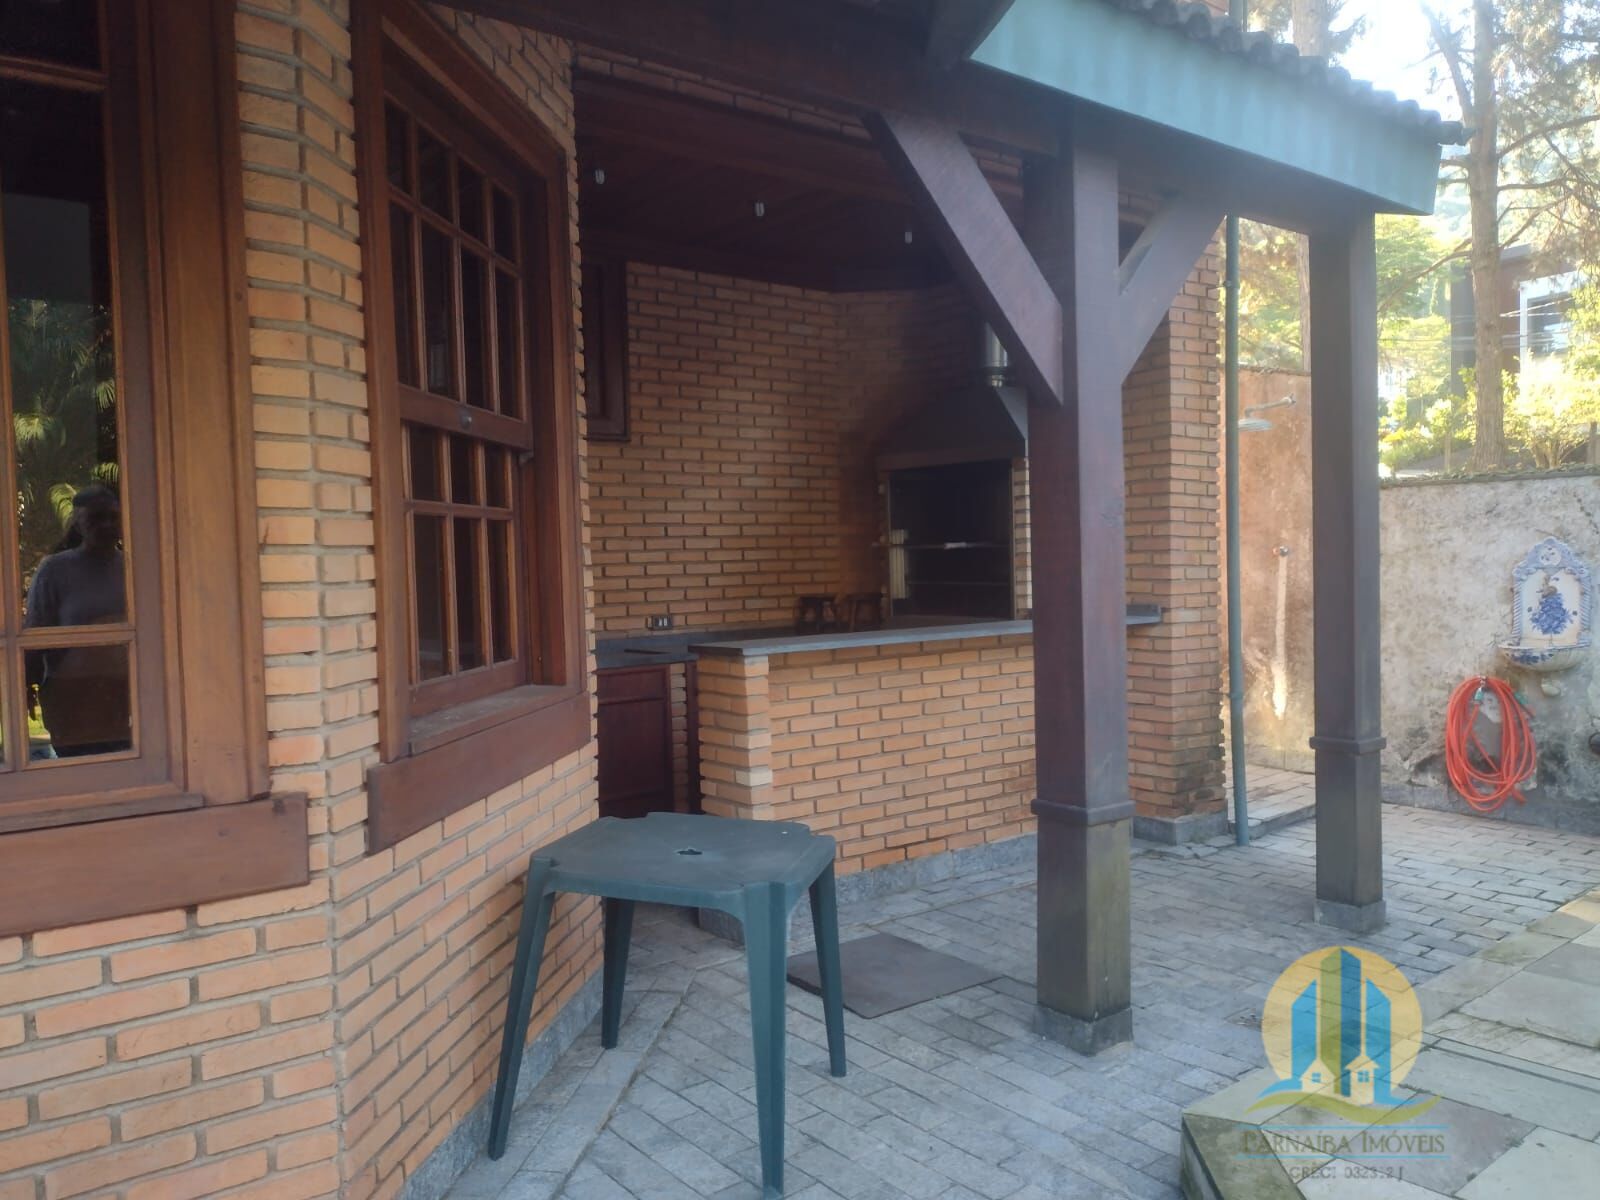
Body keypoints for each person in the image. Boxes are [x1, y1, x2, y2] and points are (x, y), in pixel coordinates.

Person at [23, 484, 131, 757]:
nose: (106, 525)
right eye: (95, 518)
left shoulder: (134, 568)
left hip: (125, 696)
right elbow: (35, 635)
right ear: (78, 525)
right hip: (71, 698)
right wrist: (25, 686)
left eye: (113, 517)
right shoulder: (54, 571)